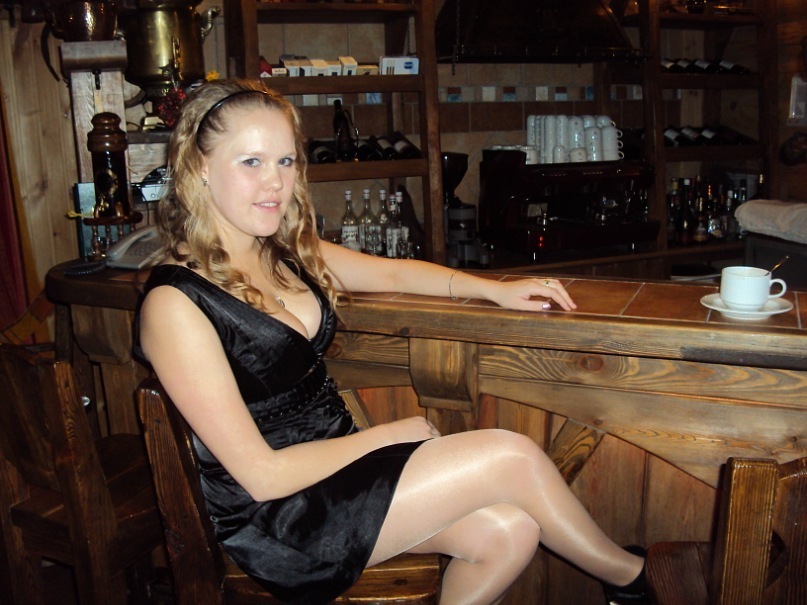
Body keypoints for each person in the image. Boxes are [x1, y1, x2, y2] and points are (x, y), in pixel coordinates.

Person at [137, 78, 649, 605]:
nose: (275, 183)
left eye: (286, 161)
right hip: (278, 515)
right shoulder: (175, 303)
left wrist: (494, 289)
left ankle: (630, 584)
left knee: (510, 531)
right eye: (252, 162)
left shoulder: (281, 249)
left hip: (338, 469)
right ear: (199, 166)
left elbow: (393, 273)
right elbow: (262, 475)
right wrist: (385, 437)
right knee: (512, 455)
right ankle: (633, 581)